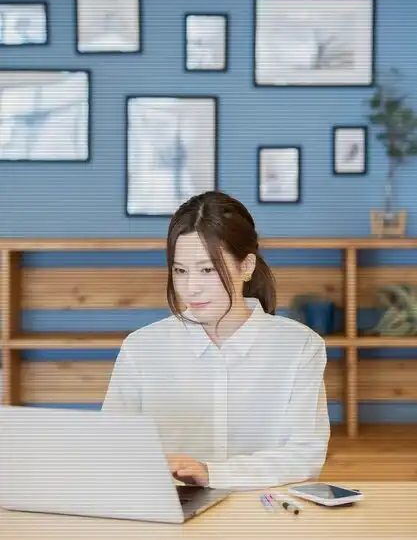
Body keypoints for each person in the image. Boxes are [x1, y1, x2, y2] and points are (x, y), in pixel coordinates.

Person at [102, 191, 330, 490]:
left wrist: (212, 473)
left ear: (246, 266)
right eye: (180, 270)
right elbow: (112, 448)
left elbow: (305, 456)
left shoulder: (300, 347)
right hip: (168, 506)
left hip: (263, 506)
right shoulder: (141, 347)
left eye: (207, 269)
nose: (190, 287)